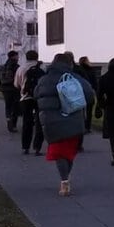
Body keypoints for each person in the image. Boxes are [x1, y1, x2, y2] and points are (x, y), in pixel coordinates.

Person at [34, 52, 93, 196]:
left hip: (51, 121)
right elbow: (89, 94)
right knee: (69, 152)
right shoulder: (74, 78)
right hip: (73, 120)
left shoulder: (44, 80)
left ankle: (64, 179)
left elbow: (36, 94)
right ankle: (65, 177)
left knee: (59, 151)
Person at [16, 50, 46, 155]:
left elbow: (16, 84)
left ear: (26, 57)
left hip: (26, 98)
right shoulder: (42, 68)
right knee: (39, 122)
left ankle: (25, 147)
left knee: (27, 122)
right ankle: (37, 147)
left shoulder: (21, 68)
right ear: (37, 57)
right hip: (39, 97)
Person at [76, 56, 99, 146]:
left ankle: (83, 125)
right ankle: (87, 126)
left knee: (82, 109)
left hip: (80, 92)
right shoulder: (90, 70)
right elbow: (94, 81)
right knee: (89, 109)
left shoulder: (78, 70)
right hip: (89, 91)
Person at [0, 50, 21, 132]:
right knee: (15, 107)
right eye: (17, 56)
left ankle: (8, 120)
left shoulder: (3, 66)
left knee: (8, 106)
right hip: (14, 89)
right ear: (13, 56)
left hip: (5, 89)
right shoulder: (16, 66)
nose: (18, 57)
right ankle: (13, 124)